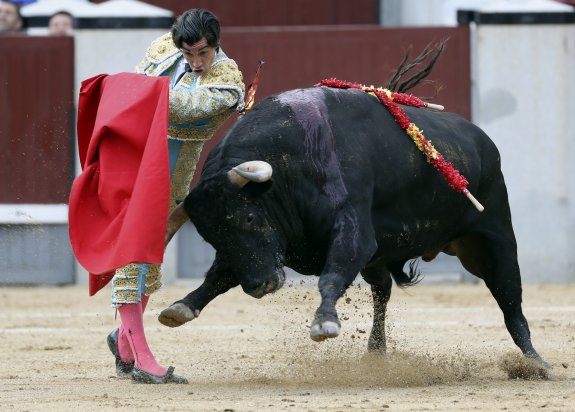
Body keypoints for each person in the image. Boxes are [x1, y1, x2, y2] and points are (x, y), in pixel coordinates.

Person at [98, 8, 245, 384]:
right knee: (135, 254)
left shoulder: (228, 79)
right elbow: (148, 95)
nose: (196, 62)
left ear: (217, 44)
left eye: (203, 53)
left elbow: (180, 105)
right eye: (189, 54)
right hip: (133, 164)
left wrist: (134, 87)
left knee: (149, 257)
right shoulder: (163, 47)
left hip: (167, 179)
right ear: (178, 44)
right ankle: (141, 358)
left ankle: (125, 342)